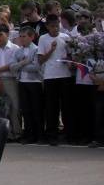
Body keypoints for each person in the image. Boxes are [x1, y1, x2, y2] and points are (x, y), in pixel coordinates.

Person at [38, 14, 72, 145]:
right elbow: (40, 60)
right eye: (52, 26)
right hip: (50, 76)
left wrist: (69, 61)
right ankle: (52, 134)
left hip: (65, 75)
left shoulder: (66, 37)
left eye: (57, 26)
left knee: (66, 106)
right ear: (47, 27)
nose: (55, 29)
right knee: (52, 107)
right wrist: (51, 50)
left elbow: (70, 54)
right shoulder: (43, 39)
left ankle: (68, 133)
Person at [0, 24, 22, 140]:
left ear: (7, 34)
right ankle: (4, 133)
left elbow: (11, 65)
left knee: (14, 106)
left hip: (11, 80)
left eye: (1, 34)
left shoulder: (15, 48)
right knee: (0, 107)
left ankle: (16, 132)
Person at [11, 26, 43, 143]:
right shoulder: (18, 51)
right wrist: (24, 62)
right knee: (26, 109)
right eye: (20, 36)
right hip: (22, 82)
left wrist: (20, 65)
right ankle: (29, 134)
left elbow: (36, 67)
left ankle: (39, 135)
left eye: (24, 36)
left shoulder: (36, 49)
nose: (21, 39)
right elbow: (12, 67)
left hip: (34, 82)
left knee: (36, 109)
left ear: (32, 37)